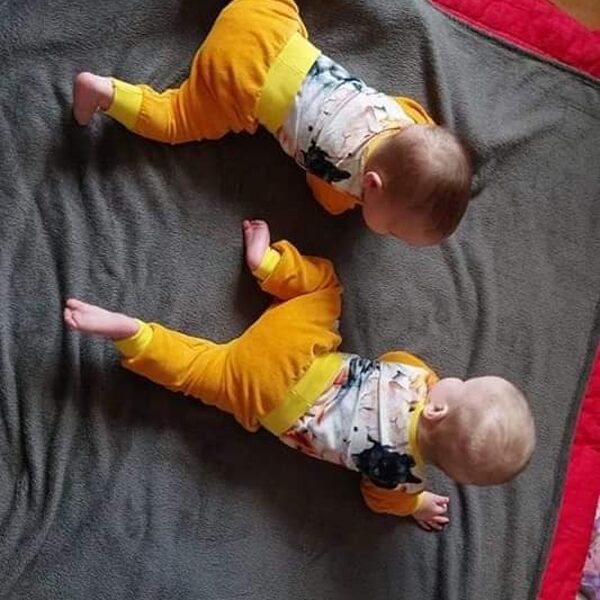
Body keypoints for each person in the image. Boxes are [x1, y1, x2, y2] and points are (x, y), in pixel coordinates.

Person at [64, 219, 535, 531]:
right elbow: (378, 501)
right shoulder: (402, 477)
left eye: (461, 385)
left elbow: (396, 356)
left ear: (437, 409)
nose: (452, 379)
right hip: (271, 405)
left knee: (325, 288)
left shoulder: (416, 381)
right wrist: (415, 504)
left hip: (297, 350)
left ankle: (268, 264)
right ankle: (133, 336)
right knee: (194, 370)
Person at [73, 0, 472, 247]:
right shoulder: (342, 181)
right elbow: (323, 196)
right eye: (394, 232)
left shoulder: (405, 119)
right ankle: (105, 93)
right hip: (240, 82)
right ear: (371, 185)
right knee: (176, 117)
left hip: (270, 24)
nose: (388, 236)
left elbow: (420, 122)